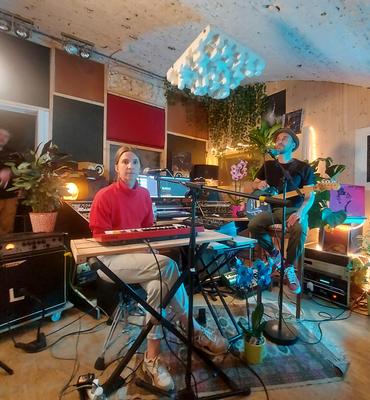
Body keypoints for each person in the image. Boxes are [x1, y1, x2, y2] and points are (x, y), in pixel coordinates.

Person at [89, 146, 228, 392]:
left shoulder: (144, 195)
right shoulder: (104, 195)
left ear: (140, 168)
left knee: (159, 286)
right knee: (169, 266)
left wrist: (145, 246)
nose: (130, 166)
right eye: (125, 162)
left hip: (139, 260)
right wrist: (131, 246)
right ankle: (193, 329)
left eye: (134, 162)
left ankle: (151, 358)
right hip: (110, 261)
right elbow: (99, 236)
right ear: (116, 167)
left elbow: (147, 231)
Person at [248, 128, 315, 295]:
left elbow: (309, 196)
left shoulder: (303, 167)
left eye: (285, 138)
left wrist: (300, 213)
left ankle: (289, 266)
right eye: (278, 138)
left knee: (299, 228)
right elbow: (253, 185)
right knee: (254, 224)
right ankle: (275, 255)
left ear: (293, 145)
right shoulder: (268, 165)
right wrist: (258, 185)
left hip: (294, 209)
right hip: (273, 209)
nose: (279, 140)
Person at [0, 128, 18, 235]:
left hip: (10, 196)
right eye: (0, 134)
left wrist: (10, 172)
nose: (2, 138)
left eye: (6, 136)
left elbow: (22, 170)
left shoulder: (13, 153)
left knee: (7, 228)